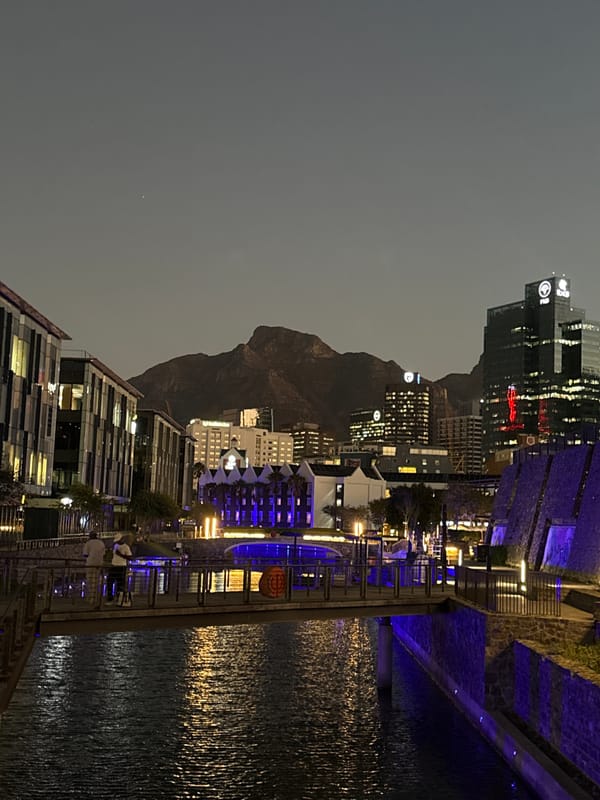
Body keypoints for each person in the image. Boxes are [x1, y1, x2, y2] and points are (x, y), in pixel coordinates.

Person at [107, 533, 133, 606]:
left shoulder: (126, 547)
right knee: (109, 582)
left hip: (121, 567)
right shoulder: (116, 545)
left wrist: (120, 554)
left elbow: (130, 557)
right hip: (114, 565)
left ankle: (119, 599)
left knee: (120, 584)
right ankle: (110, 598)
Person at [82, 532, 106, 604]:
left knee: (90, 581)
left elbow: (85, 554)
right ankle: (95, 598)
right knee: (96, 581)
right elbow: (104, 553)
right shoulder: (101, 543)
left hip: (90, 564)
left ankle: (90, 598)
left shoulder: (88, 543)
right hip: (99, 563)